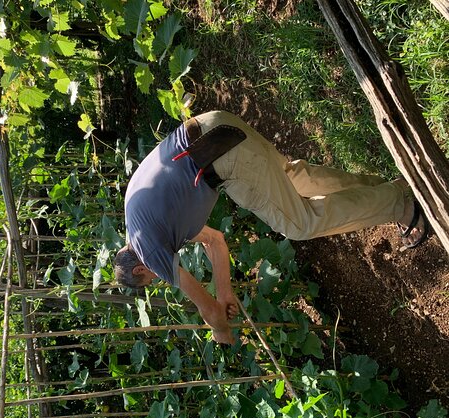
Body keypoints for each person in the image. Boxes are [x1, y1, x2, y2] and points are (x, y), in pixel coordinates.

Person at [114, 110, 429, 344]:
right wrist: (225, 291)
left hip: (221, 158)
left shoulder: (147, 250)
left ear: (140, 271)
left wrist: (222, 333)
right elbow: (215, 241)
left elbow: (208, 311)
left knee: (300, 224)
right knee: (294, 179)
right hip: (213, 127)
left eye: (152, 279)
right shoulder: (142, 220)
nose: (158, 276)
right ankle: (393, 188)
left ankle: (404, 205)